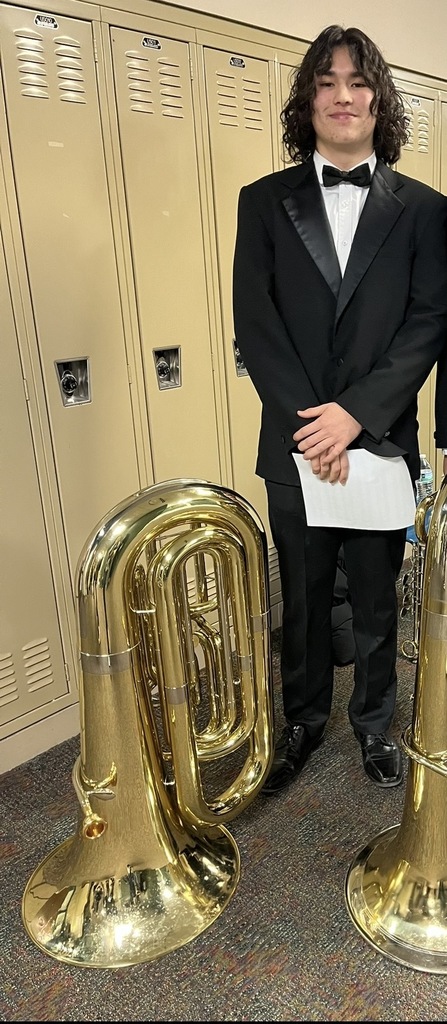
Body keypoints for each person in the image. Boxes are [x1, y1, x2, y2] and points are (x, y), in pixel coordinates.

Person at [232, 24, 447, 796]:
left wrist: (354, 414)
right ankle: (301, 719)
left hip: (380, 435)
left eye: (357, 82)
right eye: (326, 81)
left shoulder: (424, 209)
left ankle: (373, 723)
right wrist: (311, 423)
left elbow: (427, 320)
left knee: (376, 592)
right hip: (295, 443)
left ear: (378, 99)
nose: (343, 95)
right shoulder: (262, 202)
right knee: (302, 589)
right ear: (307, 99)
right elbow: (254, 323)